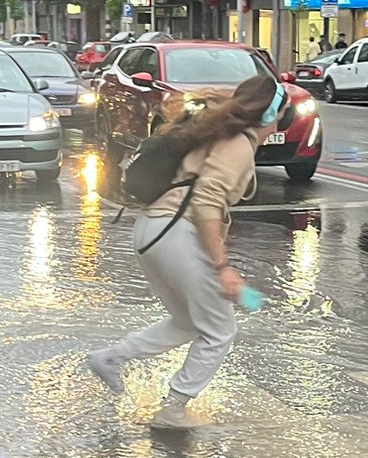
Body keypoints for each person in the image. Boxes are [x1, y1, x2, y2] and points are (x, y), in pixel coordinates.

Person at [85, 72, 271, 430]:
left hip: (152, 229)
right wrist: (222, 266)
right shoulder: (238, 141)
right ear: (272, 115)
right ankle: (173, 408)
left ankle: (110, 358)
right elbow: (207, 200)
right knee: (220, 330)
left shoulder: (218, 131)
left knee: (187, 321)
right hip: (176, 231)